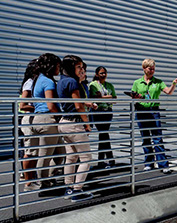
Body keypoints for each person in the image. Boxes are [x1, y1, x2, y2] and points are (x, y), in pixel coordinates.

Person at [131, 58, 177, 174]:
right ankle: (148, 163)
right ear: (144, 69)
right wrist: (136, 97)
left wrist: (173, 84)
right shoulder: (137, 83)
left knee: (157, 138)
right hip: (141, 110)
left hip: (153, 111)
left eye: (153, 68)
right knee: (145, 138)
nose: (152, 70)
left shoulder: (158, 82)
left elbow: (168, 91)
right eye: (150, 68)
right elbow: (133, 95)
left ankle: (163, 164)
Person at [57, 55, 94, 202]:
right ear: (71, 67)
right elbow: (78, 106)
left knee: (71, 157)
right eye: (78, 67)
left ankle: (69, 188)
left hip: (64, 122)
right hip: (74, 123)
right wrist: (87, 124)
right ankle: (77, 190)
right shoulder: (72, 82)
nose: (81, 69)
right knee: (86, 157)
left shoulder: (61, 82)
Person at [31, 53, 62, 187]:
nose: (59, 69)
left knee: (60, 152)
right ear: (51, 66)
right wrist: (61, 116)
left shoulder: (37, 79)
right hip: (47, 119)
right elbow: (51, 105)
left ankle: (49, 176)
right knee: (46, 154)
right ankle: (44, 182)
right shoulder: (48, 82)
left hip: (37, 118)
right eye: (58, 65)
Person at [19, 59, 40, 191]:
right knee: (29, 151)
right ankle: (28, 182)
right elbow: (22, 104)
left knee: (33, 151)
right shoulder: (30, 82)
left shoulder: (35, 82)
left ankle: (31, 179)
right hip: (29, 119)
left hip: (32, 118)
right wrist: (38, 107)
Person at [89, 66, 117, 169]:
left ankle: (102, 161)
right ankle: (109, 159)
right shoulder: (93, 85)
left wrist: (103, 97)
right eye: (101, 73)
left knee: (103, 135)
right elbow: (94, 98)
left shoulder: (109, 85)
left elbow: (114, 98)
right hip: (98, 112)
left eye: (105, 73)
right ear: (97, 74)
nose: (103, 75)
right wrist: (107, 97)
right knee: (104, 134)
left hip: (108, 112)